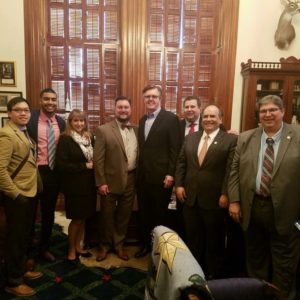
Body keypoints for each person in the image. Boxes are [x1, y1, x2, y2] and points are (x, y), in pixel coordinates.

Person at [228, 95, 300, 300]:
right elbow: (234, 171)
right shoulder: (246, 138)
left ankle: (282, 296)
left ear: (283, 111)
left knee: (284, 264)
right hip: (253, 209)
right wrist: (234, 200)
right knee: (255, 258)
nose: (267, 114)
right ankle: (256, 294)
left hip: (289, 212)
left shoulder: (297, 135)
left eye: (272, 110)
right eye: (263, 111)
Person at [175, 105, 237, 279]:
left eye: (213, 116)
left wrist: (226, 193)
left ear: (221, 119)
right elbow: (181, 162)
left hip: (215, 200)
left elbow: (230, 170)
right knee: (193, 238)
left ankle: (212, 274)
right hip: (189, 198)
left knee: (213, 240)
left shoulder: (230, 140)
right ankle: (193, 271)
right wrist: (179, 185)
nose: (209, 119)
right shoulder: (191, 138)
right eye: (206, 116)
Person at [0, 97, 43, 297]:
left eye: (26, 110)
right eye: (18, 110)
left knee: (25, 235)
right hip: (17, 195)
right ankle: (13, 281)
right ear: (9, 113)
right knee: (15, 239)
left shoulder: (23, 132)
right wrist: (15, 194)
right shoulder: (6, 134)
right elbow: (0, 170)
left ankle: (22, 269)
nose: (24, 113)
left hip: (29, 191)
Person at [135, 85, 181, 258]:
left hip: (162, 177)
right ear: (144, 99)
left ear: (160, 98)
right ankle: (146, 245)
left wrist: (171, 174)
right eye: (147, 96)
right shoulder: (141, 120)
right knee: (144, 214)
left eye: (154, 96)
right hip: (143, 177)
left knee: (160, 215)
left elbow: (175, 149)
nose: (150, 99)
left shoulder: (170, 119)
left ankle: (160, 249)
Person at [94, 96, 138, 261]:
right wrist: (101, 182)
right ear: (115, 109)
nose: (123, 110)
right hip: (110, 182)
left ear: (130, 109)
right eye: (120, 107)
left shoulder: (137, 129)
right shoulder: (103, 130)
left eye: (126, 107)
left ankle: (119, 245)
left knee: (124, 215)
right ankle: (104, 246)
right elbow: (98, 159)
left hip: (131, 179)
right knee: (107, 215)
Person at [27, 88, 65, 262]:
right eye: (47, 99)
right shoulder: (30, 119)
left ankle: (44, 248)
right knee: (30, 211)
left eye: (53, 99)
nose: (50, 102)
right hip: (33, 172)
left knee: (49, 212)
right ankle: (27, 247)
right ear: (41, 100)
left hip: (53, 172)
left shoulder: (61, 122)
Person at [55, 109, 96, 262]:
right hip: (74, 187)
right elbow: (61, 165)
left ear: (85, 123)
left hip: (89, 186)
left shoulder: (89, 138)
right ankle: (71, 248)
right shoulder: (65, 139)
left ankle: (78, 245)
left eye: (82, 121)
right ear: (70, 122)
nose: (79, 124)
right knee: (76, 219)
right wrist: (84, 166)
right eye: (75, 121)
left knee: (84, 217)